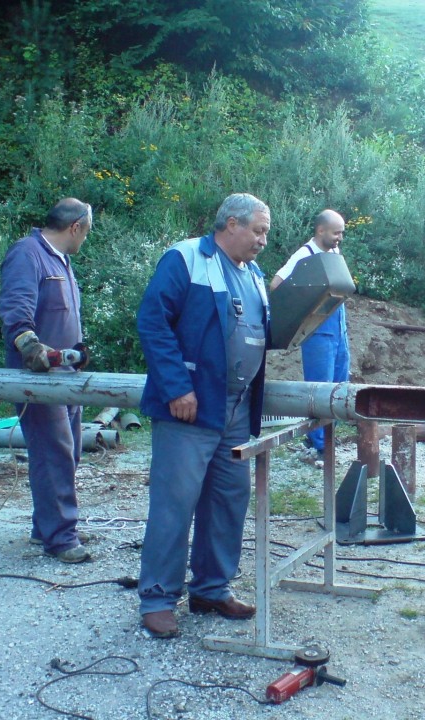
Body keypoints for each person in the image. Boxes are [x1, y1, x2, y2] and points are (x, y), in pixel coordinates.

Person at [136, 193, 271, 638]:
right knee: (174, 505)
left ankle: (212, 587)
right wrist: (177, 386)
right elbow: (152, 321)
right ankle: (157, 597)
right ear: (231, 224)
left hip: (234, 410)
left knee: (228, 501)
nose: (262, 241)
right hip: (189, 409)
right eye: (257, 230)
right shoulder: (186, 258)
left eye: (265, 233)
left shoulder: (253, 275)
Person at [0, 198, 93, 564]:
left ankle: (47, 526)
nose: (85, 239)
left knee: (69, 453)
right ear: (75, 227)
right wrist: (29, 344)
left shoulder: (61, 260)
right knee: (53, 455)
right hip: (39, 379)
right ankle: (61, 538)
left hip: (66, 377)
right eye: (86, 232)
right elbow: (14, 307)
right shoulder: (28, 254)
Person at [269, 209, 350, 458]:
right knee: (319, 389)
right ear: (320, 231)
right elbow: (276, 284)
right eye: (336, 232)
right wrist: (301, 311)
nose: (340, 238)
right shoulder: (304, 255)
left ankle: (325, 438)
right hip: (318, 334)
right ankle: (320, 446)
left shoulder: (334, 252)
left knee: (339, 386)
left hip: (339, 331)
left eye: (342, 233)